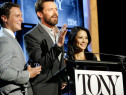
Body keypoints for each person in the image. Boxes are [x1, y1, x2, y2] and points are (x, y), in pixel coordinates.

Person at [24, 0, 67, 95]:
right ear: (40, 14)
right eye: (50, 10)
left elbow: (60, 59)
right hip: (43, 89)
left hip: (58, 88)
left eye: (56, 9)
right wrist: (58, 45)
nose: (55, 12)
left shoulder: (58, 32)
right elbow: (40, 65)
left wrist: (63, 77)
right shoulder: (32, 35)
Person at [0, 2, 41, 95]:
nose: (21, 19)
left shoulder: (9, 38)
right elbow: (2, 71)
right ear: (4, 18)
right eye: (17, 16)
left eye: (21, 16)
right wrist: (28, 74)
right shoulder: (4, 39)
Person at [65, 26, 98, 95]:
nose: (84, 41)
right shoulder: (66, 60)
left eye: (86, 38)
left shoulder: (93, 58)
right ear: (73, 39)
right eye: (80, 38)